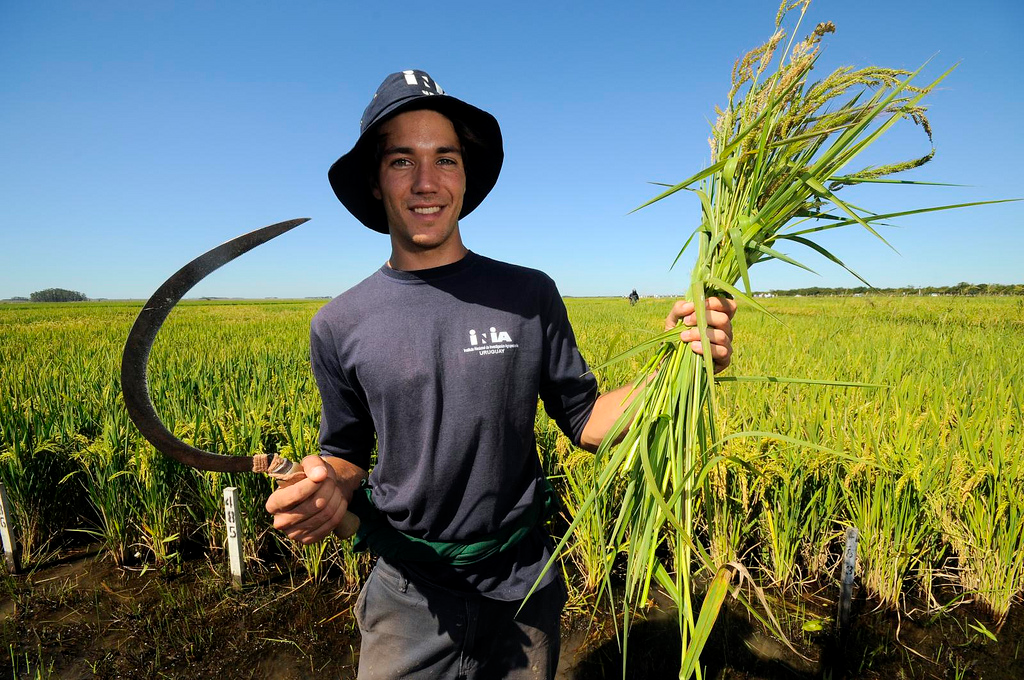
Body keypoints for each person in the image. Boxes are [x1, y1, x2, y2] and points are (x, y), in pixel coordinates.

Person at [265, 69, 736, 679]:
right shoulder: (339, 323)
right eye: (402, 161)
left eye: (446, 159)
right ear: (377, 183)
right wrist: (326, 483)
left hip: (523, 589)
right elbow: (348, 452)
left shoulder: (527, 295)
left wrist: (682, 366)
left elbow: (588, 420)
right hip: (406, 596)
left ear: (465, 175)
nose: (427, 182)